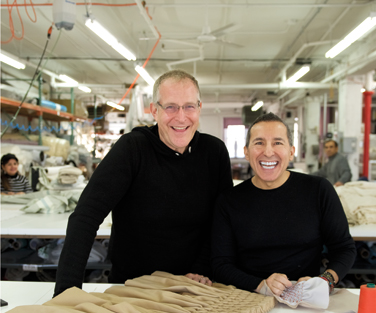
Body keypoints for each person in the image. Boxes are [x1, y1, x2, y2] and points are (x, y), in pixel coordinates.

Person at [54, 70, 233, 296]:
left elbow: (222, 223)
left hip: (195, 286)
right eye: (170, 107)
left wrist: (201, 268)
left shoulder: (214, 152)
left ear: (199, 108)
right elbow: (85, 217)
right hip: (133, 288)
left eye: (189, 106)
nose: (181, 117)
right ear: (154, 111)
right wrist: (66, 293)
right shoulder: (132, 149)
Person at [211, 113, 356, 297]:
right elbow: (220, 264)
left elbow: (344, 249)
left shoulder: (318, 190)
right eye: (259, 143)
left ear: (291, 151)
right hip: (248, 298)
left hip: (306, 299)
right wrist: (260, 285)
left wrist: (325, 280)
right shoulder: (229, 200)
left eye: (278, 143)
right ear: (246, 151)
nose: (268, 152)